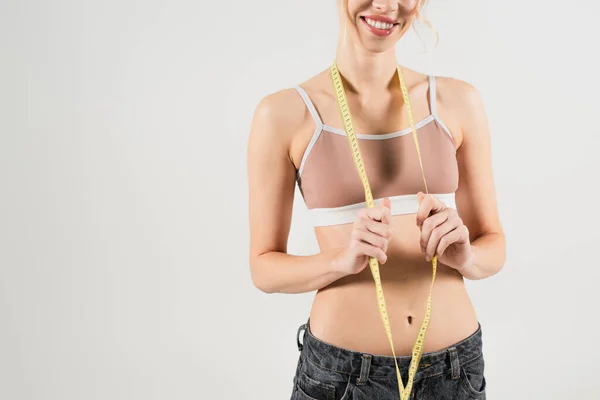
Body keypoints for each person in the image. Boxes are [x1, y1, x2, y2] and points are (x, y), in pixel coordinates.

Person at [246, 0, 505, 398]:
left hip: (456, 372)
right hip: (343, 376)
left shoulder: (457, 101)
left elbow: (494, 245)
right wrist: (341, 261)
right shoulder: (284, 114)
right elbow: (263, 268)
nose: (387, 5)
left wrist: (466, 255)